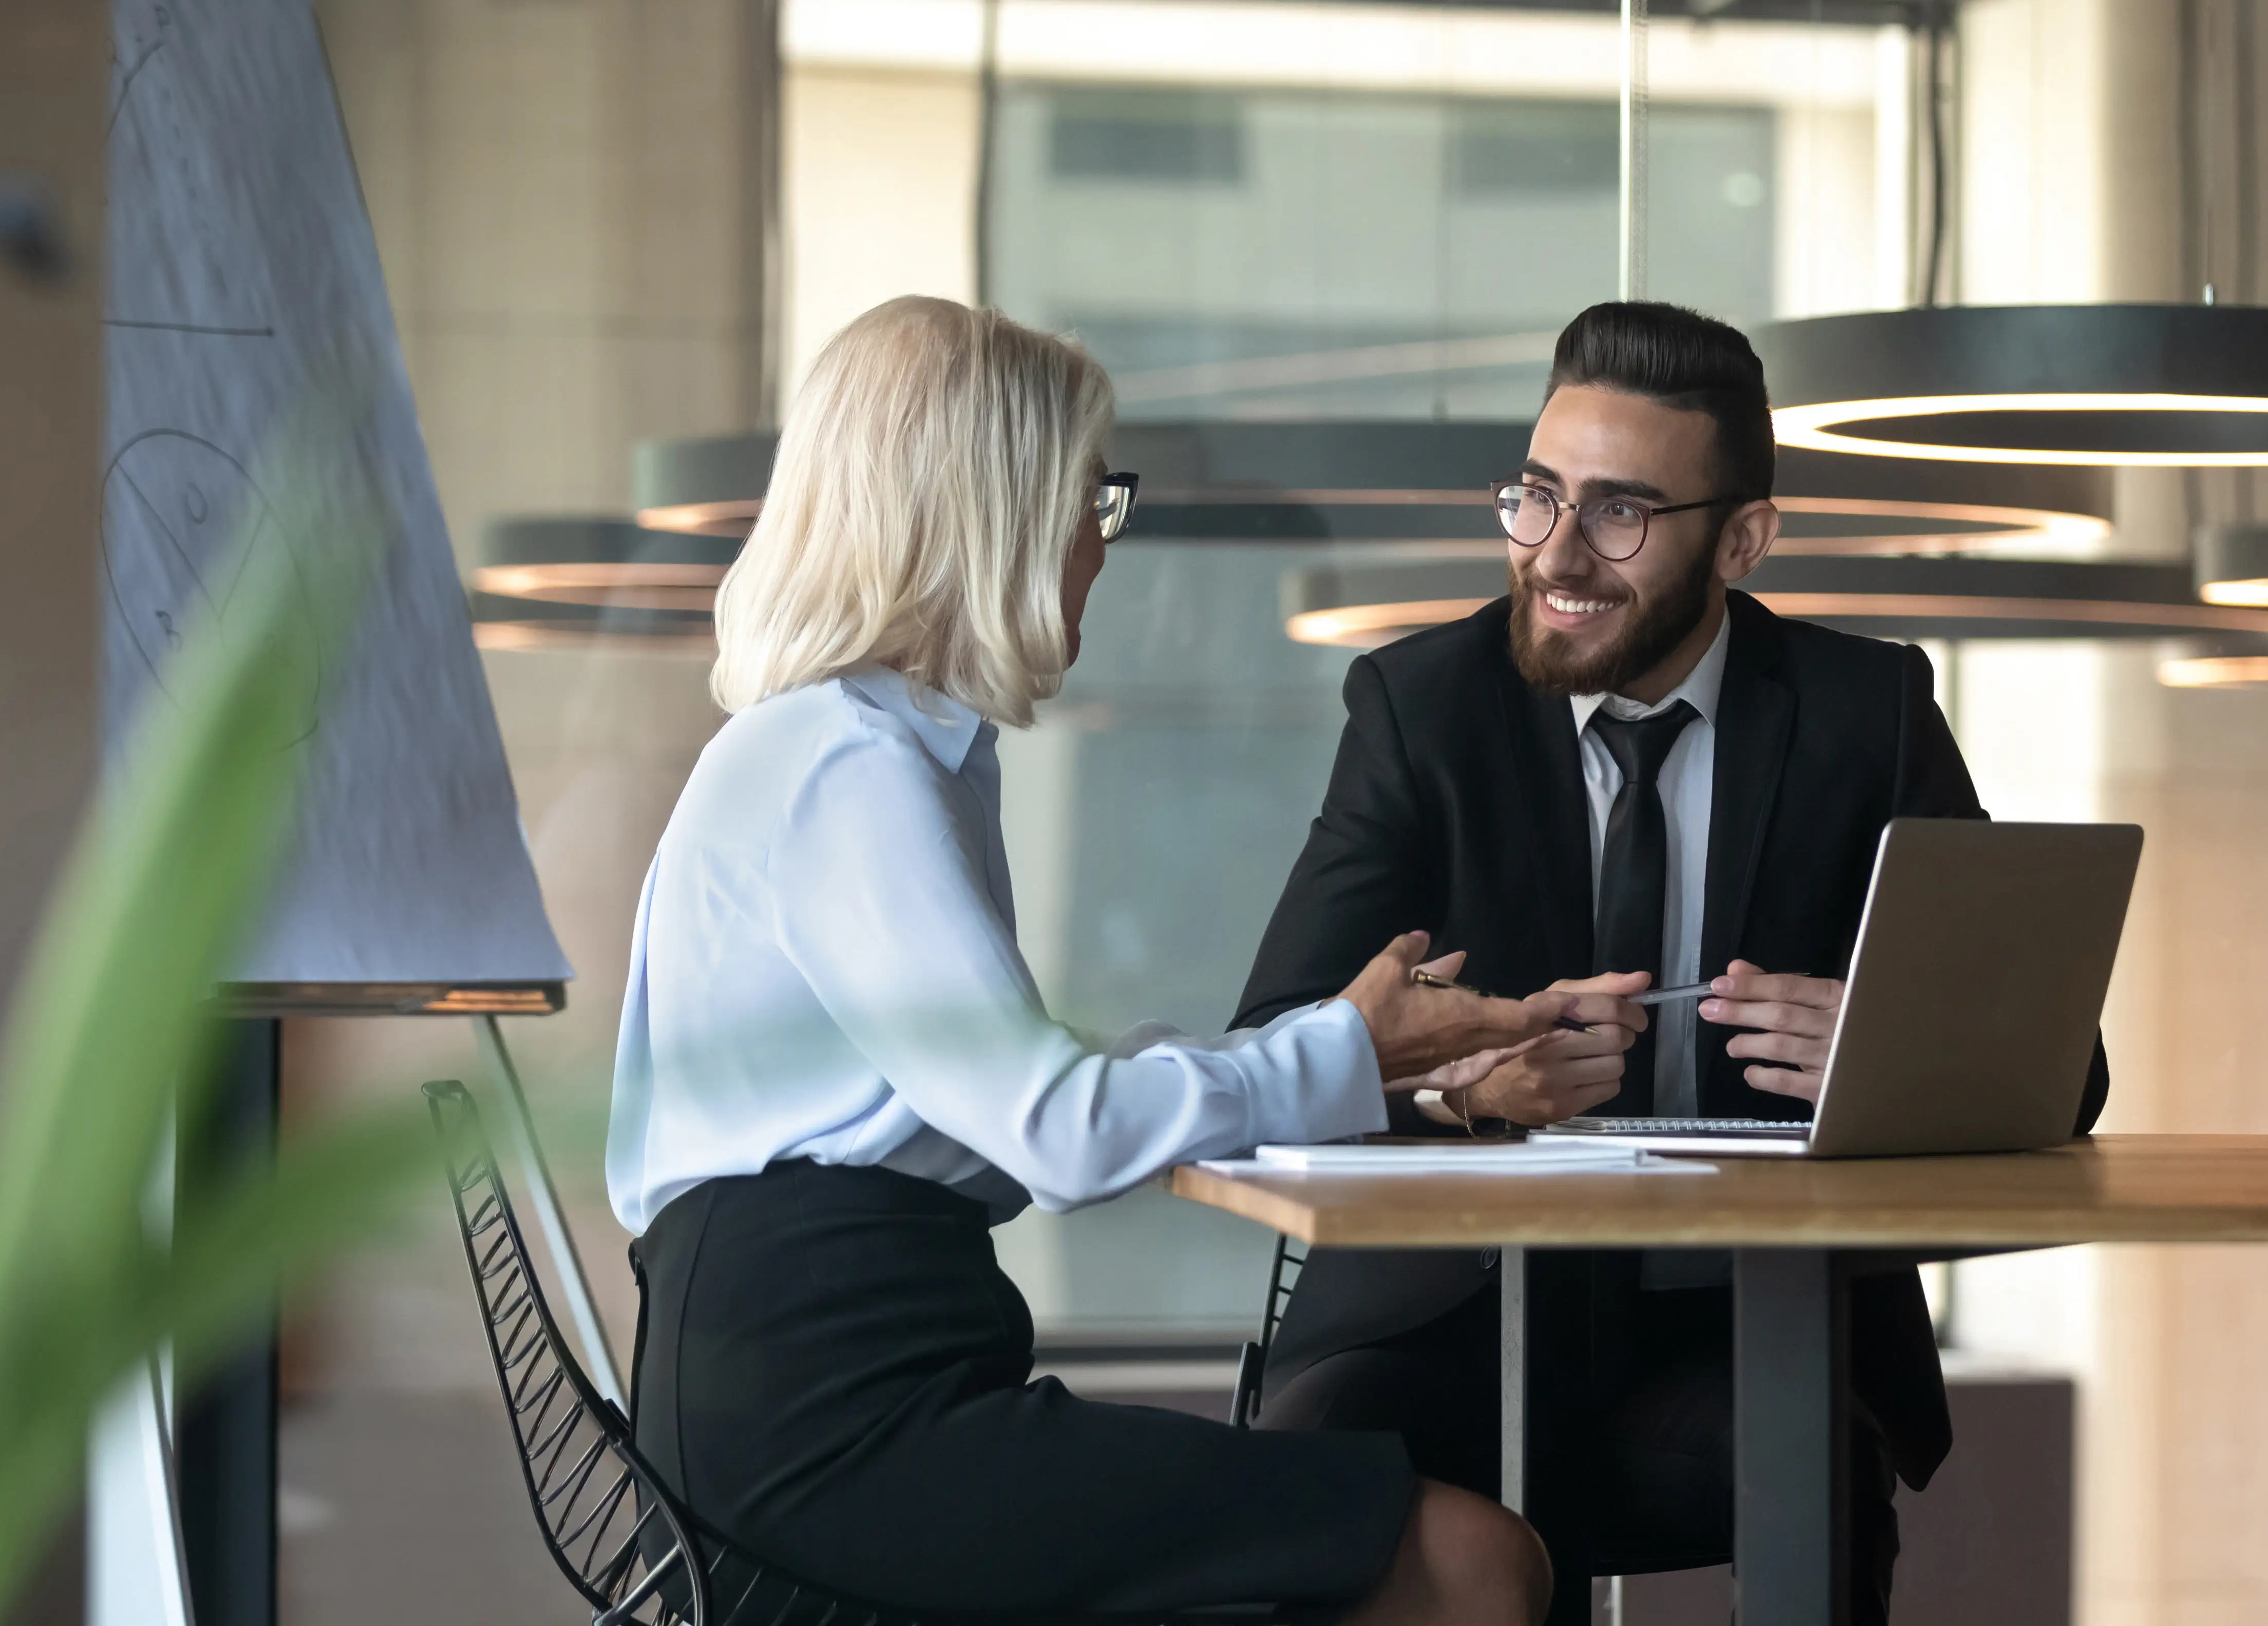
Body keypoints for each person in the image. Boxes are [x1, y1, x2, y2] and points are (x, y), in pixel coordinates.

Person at [608, 295, 1599, 1626]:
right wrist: (1347, 1051)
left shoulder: (861, 753)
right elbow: (1061, 1136)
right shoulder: (847, 765)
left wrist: (1386, 1070)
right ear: (999, 508)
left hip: (815, 1383)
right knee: (1476, 1564)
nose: (1100, 541)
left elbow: (1035, 1100)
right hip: (831, 1421)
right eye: (1094, 497)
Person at [1233, 301, 2112, 1623]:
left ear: (1742, 540)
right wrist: (1458, 1085)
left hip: (1742, 1322)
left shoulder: (1866, 712)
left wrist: (1891, 1048)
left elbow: (2063, 1071)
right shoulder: (1422, 707)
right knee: (1327, 1477)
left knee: (1809, 1461)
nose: (1556, 552)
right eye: (1537, 495)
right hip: (1444, 1322)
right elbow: (1272, 1036)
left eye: (1619, 513)